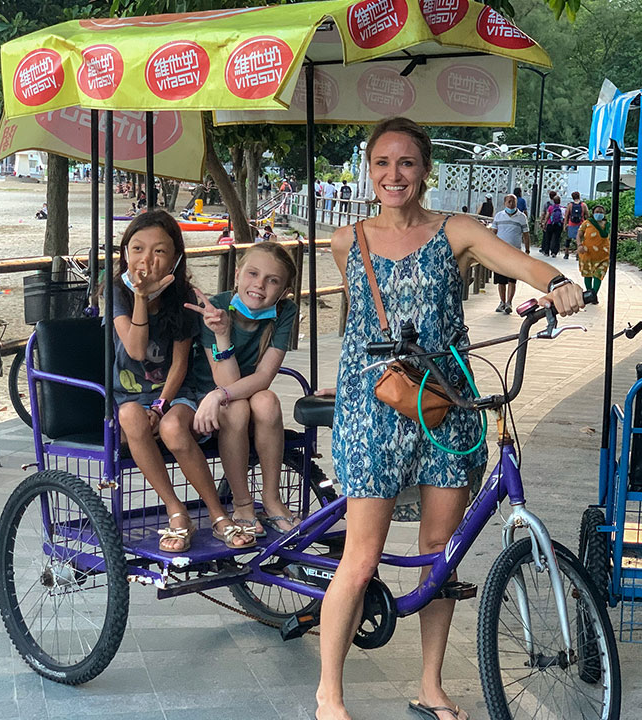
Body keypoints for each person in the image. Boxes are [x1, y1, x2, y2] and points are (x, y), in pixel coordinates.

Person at [318, 116, 583, 720]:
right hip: (374, 404)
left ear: (425, 170)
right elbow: (364, 326)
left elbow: (518, 262)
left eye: (406, 163)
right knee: (362, 556)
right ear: (369, 169)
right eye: (382, 163)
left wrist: (558, 282)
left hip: (450, 403)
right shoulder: (346, 240)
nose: (394, 175)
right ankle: (329, 694)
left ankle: (430, 683)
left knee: (441, 550)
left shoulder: (455, 230)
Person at [111, 209, 253, 552]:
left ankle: (219, 516)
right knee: (130, 415)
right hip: (129, 397)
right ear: (125, 253)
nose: (147, 260)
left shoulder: (185, 296)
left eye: (159, 251)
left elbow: (178, 365)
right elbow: (136, 347)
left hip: (175, 396)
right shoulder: (116, 291)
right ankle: (177, 511)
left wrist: (160, 407)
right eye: (137, 249)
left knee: (174, 428)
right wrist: (142, 298)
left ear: (175, 258)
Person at [184, 242, 303, 537]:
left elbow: (263, 377)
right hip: (209, 397)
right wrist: (222, 334)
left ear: (284, 291)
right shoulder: (215, 309)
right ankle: (242, 503)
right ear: (237, 274)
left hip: (239, 393)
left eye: (272, 280)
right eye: (252, 274)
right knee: (236, 408)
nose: (259, 285)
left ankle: (272, 499)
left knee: (267, 401)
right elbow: (223, 382)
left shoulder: (284, 312)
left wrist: (221, 395)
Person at [490, 193, 531, 314]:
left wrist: (527, 250)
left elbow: (526, 234)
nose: (511, 204)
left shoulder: (522, 217)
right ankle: (502, 302)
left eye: (513, 201)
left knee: (512, 280)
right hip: (500, 253)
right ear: (505, 203)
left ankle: (509, 302)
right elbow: (493, 233)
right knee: (500, 280)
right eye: (509, 201)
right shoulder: (499, 216)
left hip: (515, 253)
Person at [577, 204, 611, 294]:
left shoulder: (607, 225)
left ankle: (594, 294)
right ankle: (589, 293)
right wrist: (579, 245)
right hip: (587, 254)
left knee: (599, 275)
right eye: (597, 212)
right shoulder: (587, 223)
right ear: (593, 213)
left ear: (604, 214)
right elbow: (579, 234)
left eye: (601, 212)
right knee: (587, 275)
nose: (599, 214)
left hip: (603, 256)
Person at [564, 191, 588, 260]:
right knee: (580, 239)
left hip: (571, 224)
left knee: (568, 239)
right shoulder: (583, 205)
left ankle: (566, 253)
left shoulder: (570, 205)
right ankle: (578, 254)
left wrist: (565, 225)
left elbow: (567, 216)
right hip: (581, 224)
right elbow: (587, 215)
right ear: (579, 196)